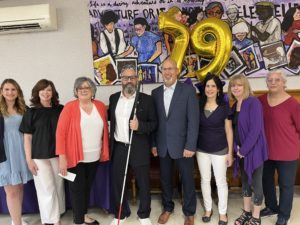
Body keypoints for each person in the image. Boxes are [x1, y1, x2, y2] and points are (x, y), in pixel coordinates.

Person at [151, 57, 199, 225]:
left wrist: (190, 145)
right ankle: (167, 208)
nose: (168, 72)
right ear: (161, 72)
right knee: (165, 179)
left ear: (177, 70)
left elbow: (193, 121)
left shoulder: (187, 91)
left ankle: (189, 212)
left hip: (183, 145)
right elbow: (155, 121)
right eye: (164, 69)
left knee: (187, 179)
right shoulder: (155, 93)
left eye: (171, 68)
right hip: (163, 145)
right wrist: (154, 144)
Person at [56, 77, 109, 225]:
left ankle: (83, 215)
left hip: (94, 156)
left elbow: (105, 129)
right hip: (74, 157)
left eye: (87, 87)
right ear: (76, 91)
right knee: (77, 190)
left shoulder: (100, 106)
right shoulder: (69, 107)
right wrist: (62, 156)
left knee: (86, 188)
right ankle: (78, 221)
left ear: (93, 90)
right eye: (80, 88)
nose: (83, 90)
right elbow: (60, 133)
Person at [108, 64, 157, 225]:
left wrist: (140, 126)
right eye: (125, 77)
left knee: (143, 182)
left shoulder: (147, 100)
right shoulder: (114, 98)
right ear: (121, 80)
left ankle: (144, 214)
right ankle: (121, 213)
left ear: (136, 80)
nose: (129, 80)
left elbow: (154, 124)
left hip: (139, 148)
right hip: (119, 147)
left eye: (132, 77)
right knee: (118, 182)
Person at [19, 79, 65, 225]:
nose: (46, 93)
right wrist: (29, 160)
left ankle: (59, 212)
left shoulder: (61, 109)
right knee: (46, 188)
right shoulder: (31, 112)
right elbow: (27, 138)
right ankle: (52, 220)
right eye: (43, 90)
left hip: (58, 155)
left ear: (53, 93)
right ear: (37, 93)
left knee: (58, 186)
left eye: (49, 90)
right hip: (39, 157)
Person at [258, 70, 300, 225]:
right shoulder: (260, 100)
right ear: (267, 83)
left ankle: (283, 214)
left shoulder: (293, 103)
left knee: (286, 185)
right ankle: (271, 207)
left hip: (287, 152)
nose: (273, 82)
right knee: (266, 180)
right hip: (266, 151)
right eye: (270, 80)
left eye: (277, 80)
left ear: (284, 83)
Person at [227, 74, 268, 225]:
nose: (235, 88)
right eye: (233, 85)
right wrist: (237, 149)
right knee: (245, 182)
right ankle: (246, 212)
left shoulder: (253, 102)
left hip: (253, 150)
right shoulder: (234, 105)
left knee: (256, 184)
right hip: (240, 151)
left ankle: (256, 217)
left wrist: (243, 150)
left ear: (245, 86)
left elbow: (255, 130)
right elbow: (233, 127)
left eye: (239, 85)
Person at [196, 74, 233, 225]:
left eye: (213, 86)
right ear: (204, 89)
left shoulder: (224, 107)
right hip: (201, 150)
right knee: (204, 180)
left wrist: (230, 152)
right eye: (207, 86)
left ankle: (223, 213)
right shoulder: (198, 105)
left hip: (220, 150)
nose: (210, 89)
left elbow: (229, 130)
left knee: (221, 182)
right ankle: (208, 209)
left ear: (218, 89)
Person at [0, 79, 32, 225]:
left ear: (18, 91)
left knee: (19, 187)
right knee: (11, 191)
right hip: (5, 153)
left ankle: (15, 220)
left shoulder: (24, 109)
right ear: (1, 91)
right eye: (6, 89)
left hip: (22, 150)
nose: (10, 92)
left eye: (13, 89)